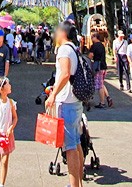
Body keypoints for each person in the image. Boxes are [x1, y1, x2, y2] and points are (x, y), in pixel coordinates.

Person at [45, 21, 84, 187]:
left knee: (70, 148)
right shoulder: (74, 49)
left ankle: (74, 184)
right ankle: (79, 182)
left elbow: (66, 73)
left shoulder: (64, 49)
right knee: (76, 143)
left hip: (66, 102)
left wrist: (53, 95)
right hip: (74, 101)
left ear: (63, 33)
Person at [0, 76, 18, 187]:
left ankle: (2, 183)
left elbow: (15, 117)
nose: (10, 86)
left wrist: (11, 128)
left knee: (5, 160)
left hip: (7, 135)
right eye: (8, 84)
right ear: (2, 89)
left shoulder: (11, 103)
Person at [88, 29, 111, 108]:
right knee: (101, 82)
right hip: (104, 66)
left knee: (99, 85)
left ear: (95, 37)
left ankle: (102, 102)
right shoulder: (102, 45)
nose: (91, 38)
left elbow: (90, 56)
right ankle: (107, 97)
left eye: (92, 37)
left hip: (98, 67)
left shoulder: (94, 46)